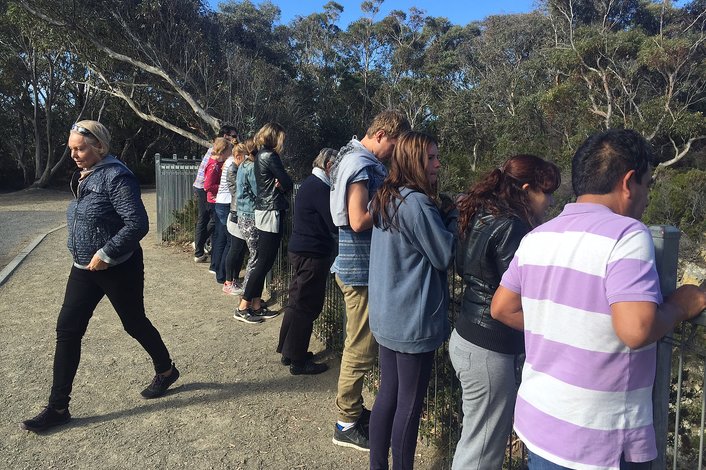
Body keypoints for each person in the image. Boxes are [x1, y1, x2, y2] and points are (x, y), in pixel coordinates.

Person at [491, 129, 706, 469]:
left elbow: (502, 307)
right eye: (647, 185)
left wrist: (568, 328)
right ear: (628, 182)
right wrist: (681, 305)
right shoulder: (627, 235)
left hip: (540, 420)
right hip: (598, 436)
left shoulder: (538, 236)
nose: (646, 197)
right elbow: (636, 329)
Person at [21, 120, 179, 433]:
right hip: (83, 268)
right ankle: (58, 407)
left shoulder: (117, 176)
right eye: (71, 149)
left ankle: (166, 370)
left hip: (118, 267)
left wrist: (106, 253)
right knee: (67, 330)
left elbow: (137, 223)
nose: (74, 155)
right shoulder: (83, 175)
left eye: (80, 149)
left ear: (100, 147)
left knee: (134, 323)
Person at [450, 155, 560, 470]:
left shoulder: (480, 212)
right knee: (482, 451)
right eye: (546, 192)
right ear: (526, 189)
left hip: (468, 335)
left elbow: (462, 268)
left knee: (475, 440)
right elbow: (519, 295)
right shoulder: (513, 226)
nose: (550, 201)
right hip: (490, 349)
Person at [367, 131, 455, 470]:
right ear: (414, 161)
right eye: (431, 158)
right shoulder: (417, 204)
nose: (438, 164)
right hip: (412, 322)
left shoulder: (385, 196)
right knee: (409, 404)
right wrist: (452, 216)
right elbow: (444, 255)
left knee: (388, 395)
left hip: (388, 315)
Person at [329, 110, 411, 451]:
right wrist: (393, 200)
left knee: (358, 343)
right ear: (381, 135)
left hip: (357, 267)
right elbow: (358, 220)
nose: (394, 153)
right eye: (394, 145)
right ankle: (346, 422)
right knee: (360, 348)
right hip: (359, 270)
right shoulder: (361, 163)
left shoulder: (349, 156)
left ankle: (352, 410)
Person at [277, 148, 338, 375]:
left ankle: (289, 350)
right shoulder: (320, 188)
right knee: (307, 305)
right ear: (329, 166)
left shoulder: (309, 184)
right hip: (312, 253)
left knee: (297, 301)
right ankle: (298, 360)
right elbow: (333, 222)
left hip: (302, 249)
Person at [236, 123, 293, 321]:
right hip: (270, 211)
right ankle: (243, 306)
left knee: (264, 260)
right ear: (274, 137)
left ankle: (256, 305)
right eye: (281, 137)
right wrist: (281, 185)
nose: (283, 142)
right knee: (263, 261)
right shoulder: (270, 156)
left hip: (264, 209)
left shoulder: (260, 154)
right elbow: (288, 183)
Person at [192, 124, 238, 262]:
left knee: (211, 219)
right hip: (204, 187)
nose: (236, 139)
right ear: (226, 136)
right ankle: (199, 248)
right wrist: (223, 186)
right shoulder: (218, 152)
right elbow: (209, 181)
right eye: (233, 136)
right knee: (207, 218)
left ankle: (204, 246)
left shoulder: (218, 148)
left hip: (206, 187)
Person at [233, 138, 262, 324]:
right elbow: (259, 191)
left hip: (243, 215)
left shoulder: (243, 165)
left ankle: (253, 301)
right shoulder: (251, 168)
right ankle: (244, 304)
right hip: (250, 215)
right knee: (256, 257)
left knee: (254, 256)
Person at [203, 137, 233, 280]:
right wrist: (223, 187)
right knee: (221, 236)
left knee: (219, 235)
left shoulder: (217, 163)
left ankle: (215, 266)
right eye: (229, 149)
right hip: (215, 201)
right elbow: (207, 185)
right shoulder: (214, 165)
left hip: (217, 200)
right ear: (224, 150)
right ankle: (218, 268)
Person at [222, 143, 248, 295]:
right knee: (235, 248)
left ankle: (235, 278)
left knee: (240, 249)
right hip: (236, 212)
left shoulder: (239, 168)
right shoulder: (233, 169)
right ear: (238, 156)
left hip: (241, 211)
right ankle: (228, 281)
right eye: (246, 157)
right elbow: (237, 192)